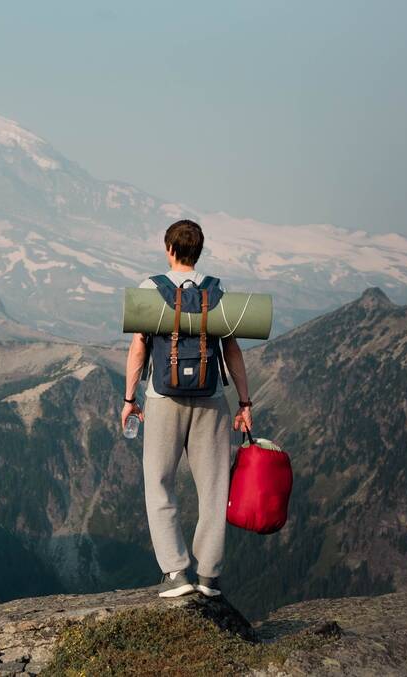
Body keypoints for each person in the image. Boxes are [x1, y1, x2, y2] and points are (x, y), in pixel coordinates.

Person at [121, 219, 253, 598]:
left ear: (169, 249)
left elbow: (138, 348)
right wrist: (244, 403)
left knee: (159, 482)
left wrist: (130, 399)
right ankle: (209, 576)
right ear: (198, 251)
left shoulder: (150, 289)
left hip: (164, 400)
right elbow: (232, 351)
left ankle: (176, 573)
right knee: (213, 487)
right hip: (211, 400)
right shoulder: (216, 289)